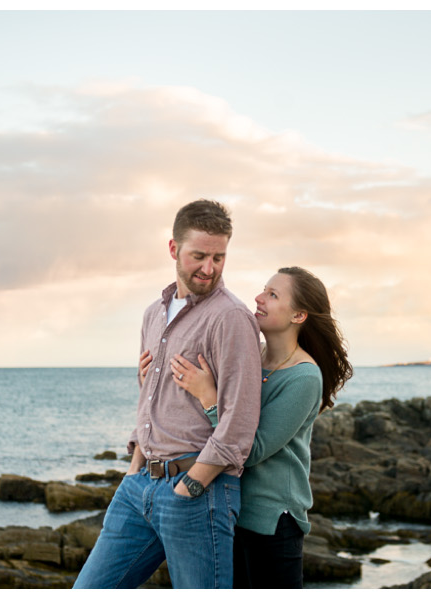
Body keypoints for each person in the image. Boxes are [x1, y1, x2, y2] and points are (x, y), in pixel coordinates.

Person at [73, 199, 262, 589]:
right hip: (140, 486)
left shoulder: (230, 317)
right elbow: (150, 403)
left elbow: (240, 420)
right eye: (198, 256)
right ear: (174, 249)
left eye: (218, 257)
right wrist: (132, 472)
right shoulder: (152, 314)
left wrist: (190, 486)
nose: (208, 268)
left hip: (197, 490)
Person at [166, 266, 352, 588]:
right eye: (264, 290)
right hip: (227, 509)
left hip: (272, 523)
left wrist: (208, 395)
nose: (258, 298)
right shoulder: (251, 357)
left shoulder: (304, 378)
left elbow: (249, 451)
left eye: (273, 294)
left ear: (299, 316)